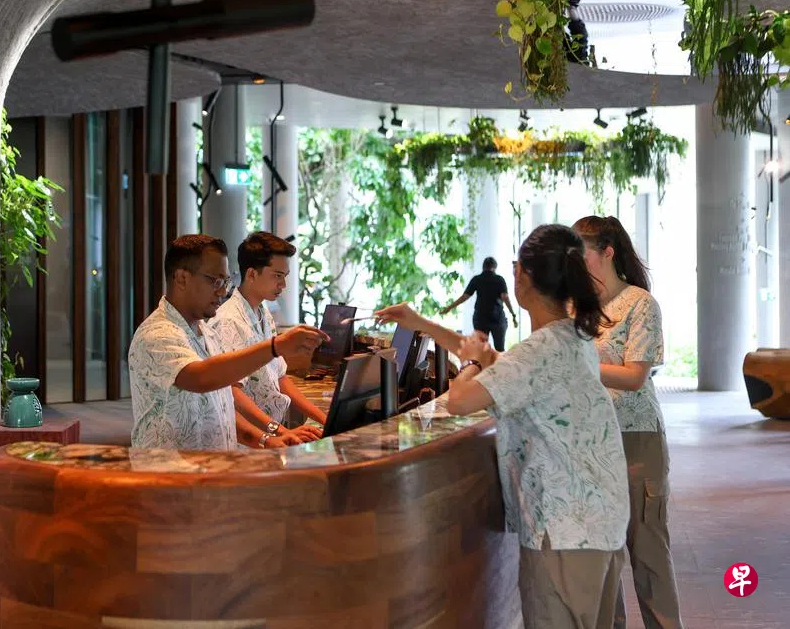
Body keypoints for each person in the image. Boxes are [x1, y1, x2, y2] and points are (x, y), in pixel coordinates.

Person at [376, 224, 629, 629]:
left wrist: (469, 363)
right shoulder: (571, 336)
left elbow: (461, 400)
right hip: (599, 518)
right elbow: (497, 361)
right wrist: (421, 323)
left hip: (566, 530)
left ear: (523, 277)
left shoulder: (539, 350)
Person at [574, 215, 682, 629]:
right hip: (591, 441)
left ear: (607, 252)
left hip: (637, 439)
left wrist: (581, 363)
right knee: (602, 560)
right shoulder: (576, 307)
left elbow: (635, 376)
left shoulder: (640, 304)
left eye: (580, 253)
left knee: (648, 553)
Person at [128, 234, 329, 451]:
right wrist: (275, 346)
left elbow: (223, 409)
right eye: (215, 281)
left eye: (225, 281)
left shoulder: (205, 331)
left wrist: (266, 439)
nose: (223, 291)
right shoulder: (157, 333)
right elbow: (201, 378)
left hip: (212, 466)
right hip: (170, 470)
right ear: (182, 278)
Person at [210, 233, 326, 443]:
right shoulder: (228, 321)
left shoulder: (263, 313)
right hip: (250, 441)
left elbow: (280, 377)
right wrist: (280, 431)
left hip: (272, 432)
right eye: (277, 276)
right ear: (252, 274)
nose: (283, 284)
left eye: (285, 276)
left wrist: (324, 418)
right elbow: (232, 392)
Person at [440, 257, 517, 351]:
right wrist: (513, 314)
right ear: (495, 267)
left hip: (480, 318)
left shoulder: (477, 279)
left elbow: (464, 297)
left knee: (481, 349)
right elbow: (505, 297)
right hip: (497, 318)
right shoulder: (499, 279)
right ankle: (499, 359)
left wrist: (449, 308)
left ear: (483, 267)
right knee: (500, 349)